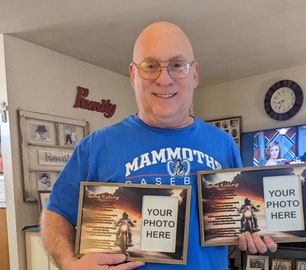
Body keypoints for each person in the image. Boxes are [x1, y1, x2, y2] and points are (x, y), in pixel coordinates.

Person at [40, 21, 277, 270]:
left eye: (177, 65)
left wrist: (255, 234)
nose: (164, 79)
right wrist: (69, 263)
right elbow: (55, 214)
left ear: (194, 74)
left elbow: (236, 223)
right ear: (133, 75)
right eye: (150, 66)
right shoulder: (96, 147)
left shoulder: (224, 144)